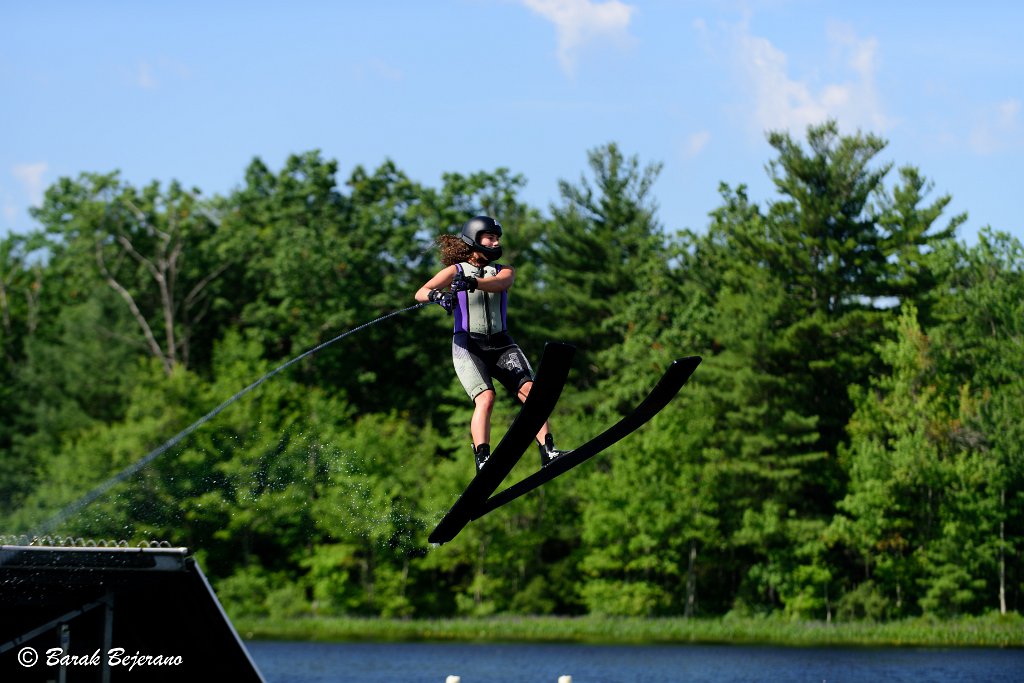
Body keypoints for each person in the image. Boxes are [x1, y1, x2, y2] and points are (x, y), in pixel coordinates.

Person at [415, 215, 566, 471]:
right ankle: (483, 459)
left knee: (533, 393)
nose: (496, 242)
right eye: (490, 237)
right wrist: (439, 296)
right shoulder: (456, 271)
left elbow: (501, 284)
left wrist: (474, 282)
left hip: (502, 344)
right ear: (474, 239)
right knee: (485, 398)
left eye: (497, 238)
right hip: (468, 346)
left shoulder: (504, 270)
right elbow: (420, 292)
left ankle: (548, 451)